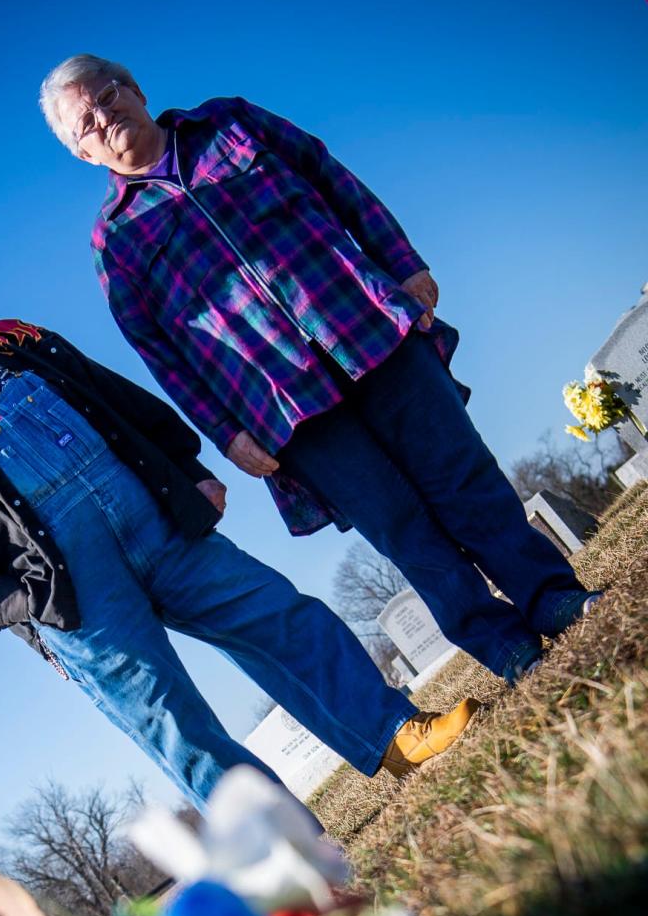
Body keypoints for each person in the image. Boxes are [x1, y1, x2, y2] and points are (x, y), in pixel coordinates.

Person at [0, 252, 478, 810]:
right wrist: (33, 602)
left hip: (157, 521)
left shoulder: (13, 340)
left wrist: (187, 468)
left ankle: (395, 733)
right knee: (174, 723)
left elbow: (117, 399)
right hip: (74, 600)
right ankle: (292, 861)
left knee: (279, 615)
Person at [39, 56, 601, 688]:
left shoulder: (230, 122)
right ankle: (506, 647)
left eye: (107, 95)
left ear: (135, 89)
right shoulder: (115, 241)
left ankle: (552, 598)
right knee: (398, 525)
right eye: (84, 122)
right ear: (82, 154)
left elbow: (335, 180)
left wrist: (402, 262)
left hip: (365, 327)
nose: (104, 116)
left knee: (463, 475)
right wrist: (228, 435)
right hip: (283, 404)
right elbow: (160, 352)